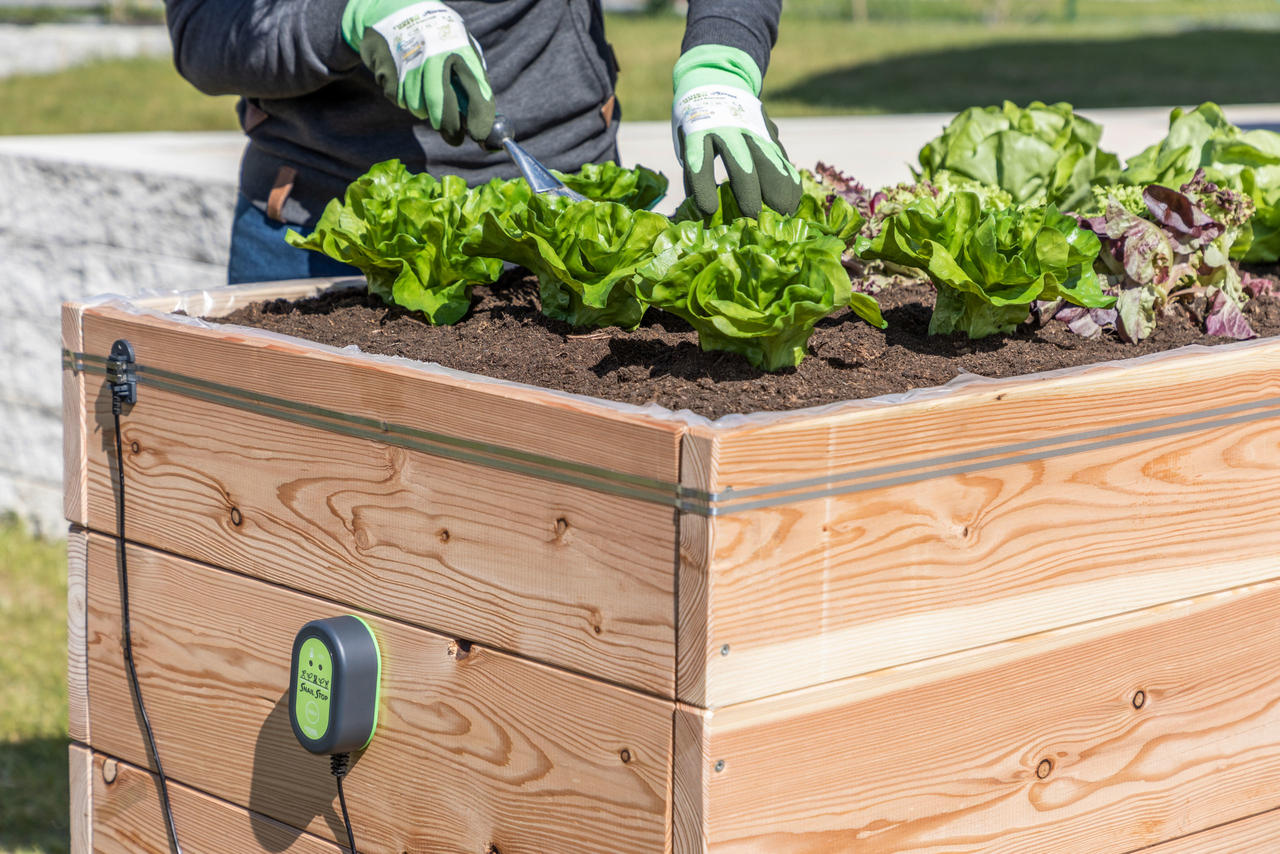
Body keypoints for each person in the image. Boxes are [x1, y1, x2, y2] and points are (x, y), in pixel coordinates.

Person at [164, 0, 802, 284]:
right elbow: (205, 26)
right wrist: (351, 16)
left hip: (565, 231)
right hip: (322, 232)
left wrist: (722, 57)